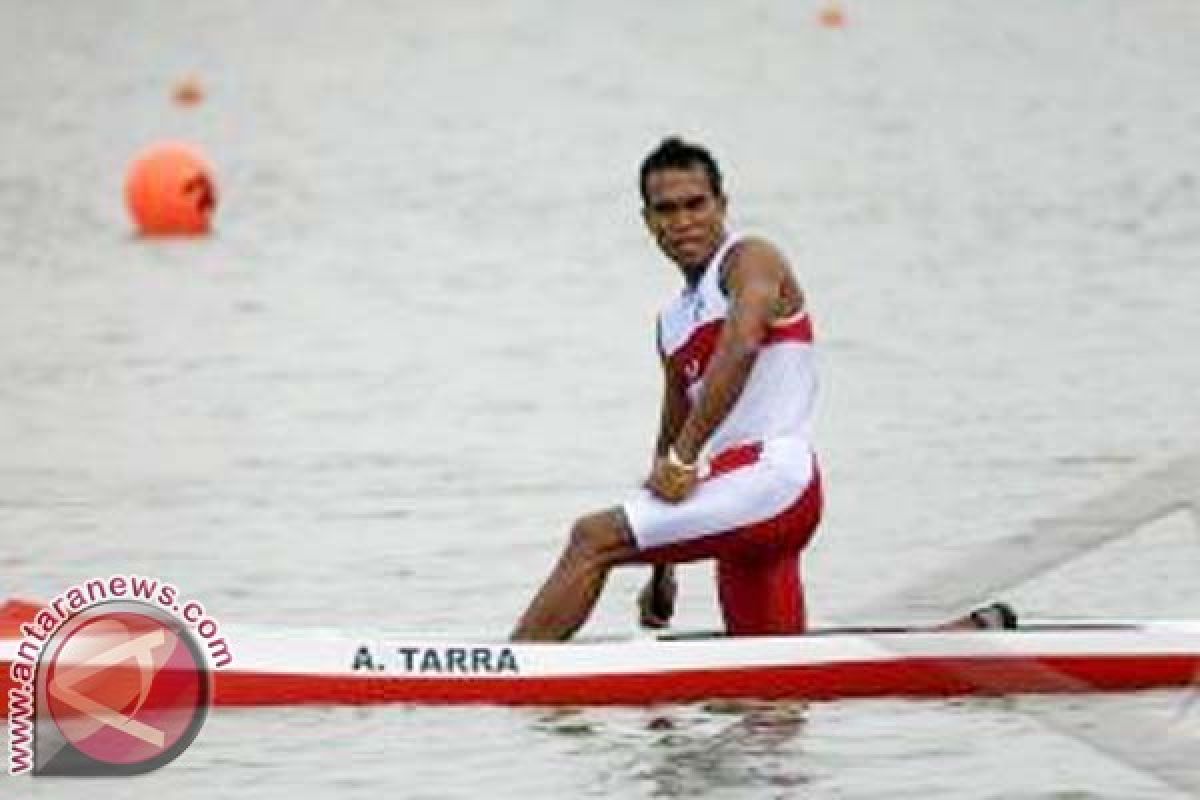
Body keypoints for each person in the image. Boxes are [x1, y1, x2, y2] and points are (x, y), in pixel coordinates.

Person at [512, 136, 823, 640]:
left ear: (722, 205)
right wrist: (663, 572)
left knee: (592, 538)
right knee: (769, 688)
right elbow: (669, 443)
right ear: (648, 221)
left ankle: (512, 677)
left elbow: (741, 347)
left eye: (696, 204)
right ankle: (971, 634)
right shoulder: (672, 323)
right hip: (738, 497)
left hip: (774, 481)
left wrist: (683, 461)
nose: (683, 221)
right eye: (666, 210)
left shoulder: (751, 259)